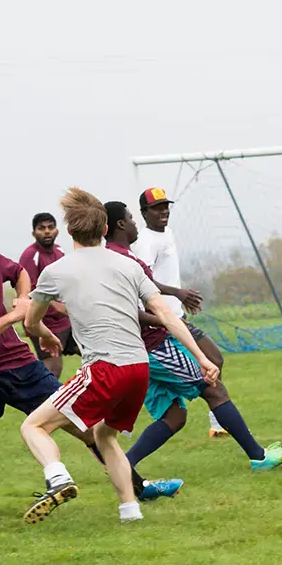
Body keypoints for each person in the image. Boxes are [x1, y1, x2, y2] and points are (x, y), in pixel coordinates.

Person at [0, 209, 179, 530]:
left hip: (20, 363)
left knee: (88, 428)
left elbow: (20, 273)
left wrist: (24, 299)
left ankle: (138, 488)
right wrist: (15, 316)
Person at [20, 188, 220, 525]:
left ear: (69, 232)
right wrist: (202, 359)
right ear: (104, 230)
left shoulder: (56, 271)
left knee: (34, 426)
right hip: (138, 370)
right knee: (104, 435)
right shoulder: (129, 266)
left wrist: (48, 336)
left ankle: (58, 478)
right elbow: (169, 315)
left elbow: (30, 322)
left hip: (103, 368)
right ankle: (130, 510)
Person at [105, 200, 282, 473]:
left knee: (175, 415)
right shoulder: (123, 261)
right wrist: (164, 319)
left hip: (136, 349)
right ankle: (259, 457)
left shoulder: (112, 258)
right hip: (154, 346)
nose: (135, 223)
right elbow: (130, 312)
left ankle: (123, 465)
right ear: (121, 224)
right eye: (131, 218)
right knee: (214, 389)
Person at [131, 187, 230, 438]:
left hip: (177, 316)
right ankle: (220, 422)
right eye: (156, 207)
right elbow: (144, 281)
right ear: (144, 213)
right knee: (207, 371)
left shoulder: (167, 233)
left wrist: (179, 298)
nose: (163, 211)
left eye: (165, 206)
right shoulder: (144, 242)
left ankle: (218, 422)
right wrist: (177, 293)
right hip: (163, 321)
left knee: (214, 360)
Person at [17, 212, 80, 378]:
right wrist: (57, 306)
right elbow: (34, 292)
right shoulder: (31, 256)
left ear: (57, 231)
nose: (46, 231)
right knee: (53, 370)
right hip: (44, 323)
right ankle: (38, 402)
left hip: (65, 321)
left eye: (50, 227)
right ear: (34, 233)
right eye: (41, 228)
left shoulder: (59, 251)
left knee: (93, 351)